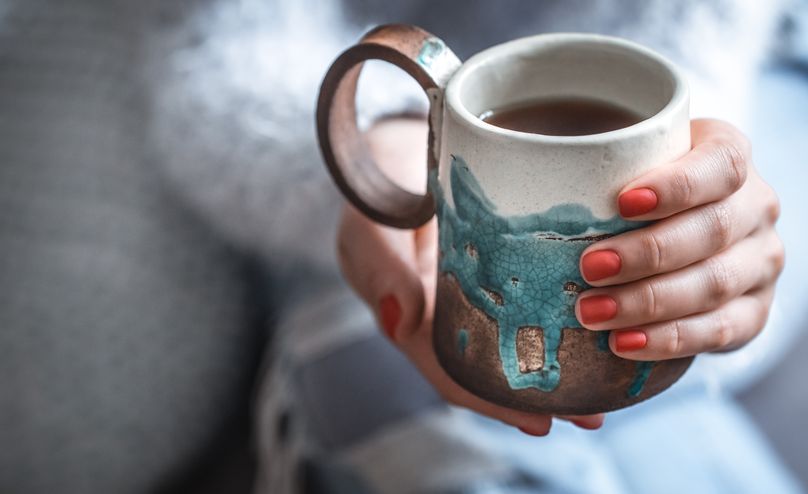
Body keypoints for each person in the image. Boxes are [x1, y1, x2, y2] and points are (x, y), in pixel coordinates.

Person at [0, 0, 803, 493]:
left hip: (755, 68)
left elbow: (686, 50)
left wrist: (694, 203)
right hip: (332, 110)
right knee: (378, 360)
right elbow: (221, 50)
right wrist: (379, 154)